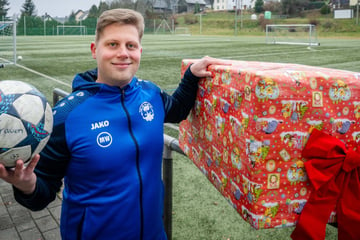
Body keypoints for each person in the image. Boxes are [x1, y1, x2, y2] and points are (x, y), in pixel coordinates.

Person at [0, 8, 228, 240]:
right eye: (112, 44)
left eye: (130, 45)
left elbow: (178, 109)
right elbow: (42, 194)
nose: (123, 53)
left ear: (140, 51)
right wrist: (27, 185)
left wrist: (190, 75)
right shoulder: (65, 117)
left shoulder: (151, 94)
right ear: (94, 50)